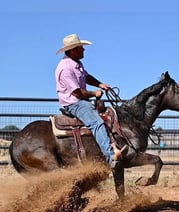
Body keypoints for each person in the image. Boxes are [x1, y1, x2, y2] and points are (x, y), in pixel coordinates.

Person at [55, 34, 128, 168]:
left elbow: (86, 77)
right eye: (81, 48)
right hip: (74, 103)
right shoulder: (65, 68)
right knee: (97, 122)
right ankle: (111, 157)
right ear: (72, 50)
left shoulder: (77, 63)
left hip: (79, 100)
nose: (84, 50)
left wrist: (100, 84)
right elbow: (77, 93)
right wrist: (95, 93)